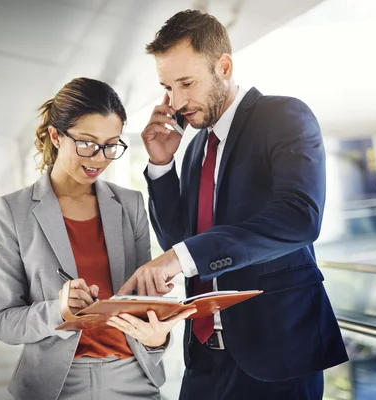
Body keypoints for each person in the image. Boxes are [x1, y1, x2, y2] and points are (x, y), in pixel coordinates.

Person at [117, 10, 349, 400]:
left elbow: (300, 217)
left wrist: (179, 257)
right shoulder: (193, 151)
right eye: (168, 87)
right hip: (205, 359)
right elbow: (182, 241)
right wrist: (161, 164)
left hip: (276, 355)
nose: (176, 101)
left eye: (186, 83)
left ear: (223, 66)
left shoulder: (283, 116)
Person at [0, 77, 194, 400]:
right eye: (87, 143)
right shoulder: (14, 211)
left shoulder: (129, 204)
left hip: (135, 377)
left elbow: (140, 304)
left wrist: (157, 338)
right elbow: (5, 322)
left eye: (111, 145)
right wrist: (58, 310)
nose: (99, 158)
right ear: (56, 136)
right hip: (56, 385)